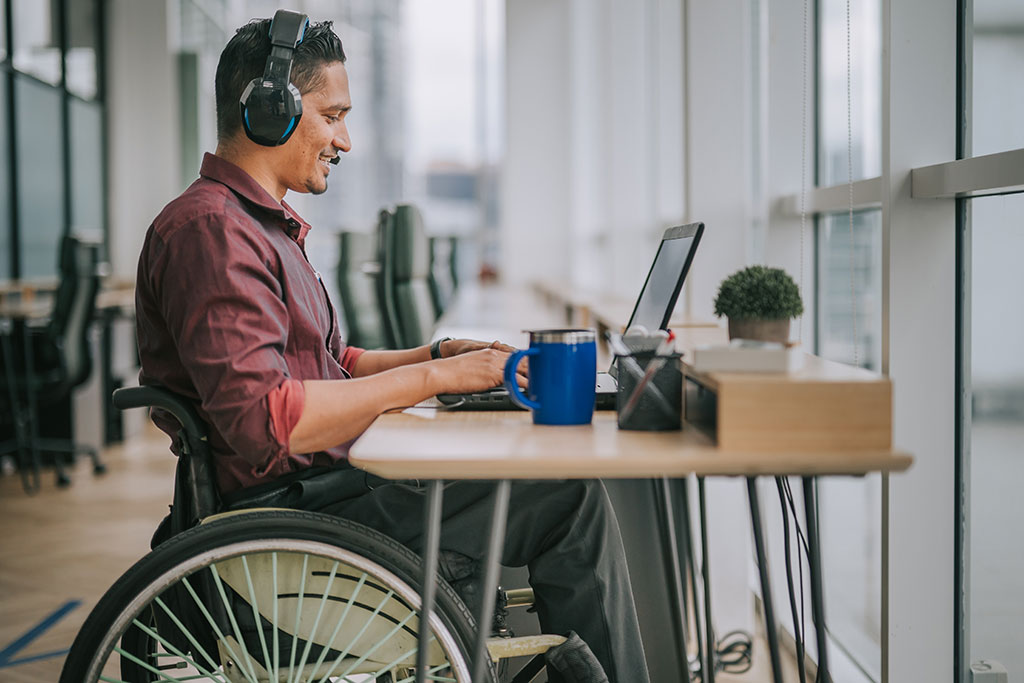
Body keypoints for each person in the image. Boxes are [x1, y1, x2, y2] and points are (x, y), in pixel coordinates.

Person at [135, 15, 649, 683]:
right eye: (332, 116)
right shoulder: (212, 231)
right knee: (566, 498)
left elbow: (335, 365)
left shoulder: (258, 227)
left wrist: (438, 356)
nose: (344, 140)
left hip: (328, 492)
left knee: (549, 486)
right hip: (294, 519)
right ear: (270, 109)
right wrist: (437, 380)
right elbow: (269, 422)